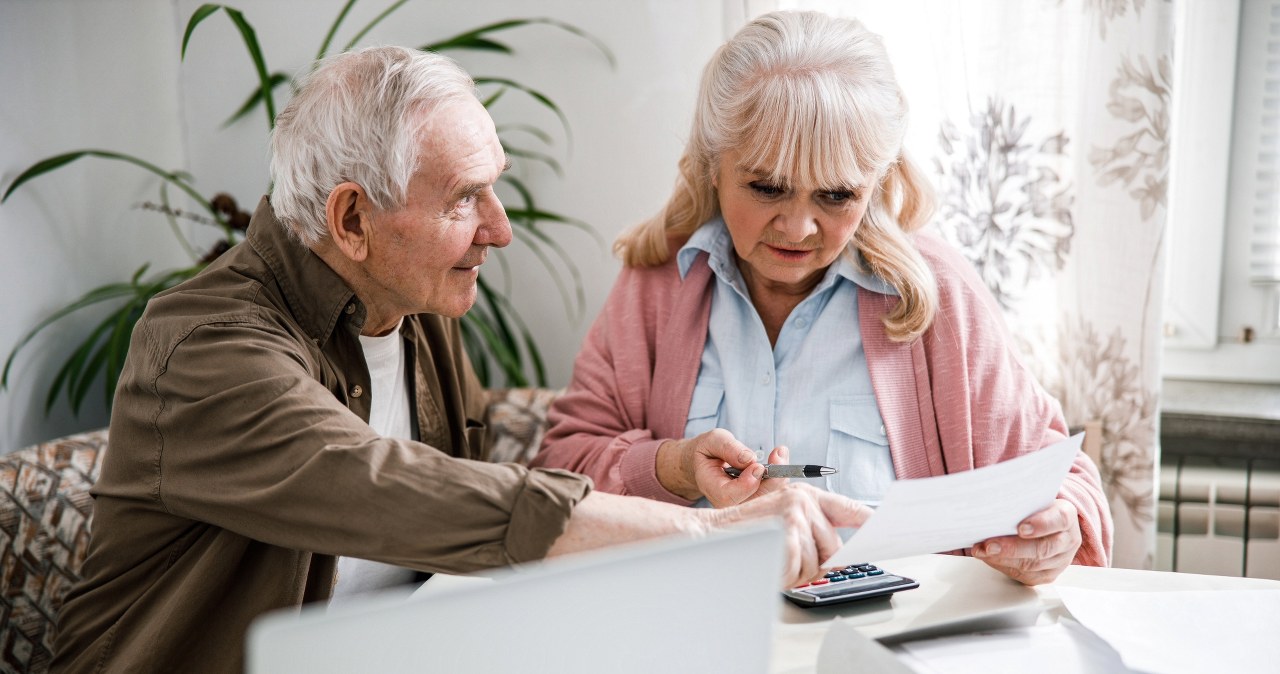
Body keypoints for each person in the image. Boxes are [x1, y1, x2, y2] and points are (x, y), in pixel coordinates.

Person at [51, 46, 872, 673]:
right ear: (351, 220)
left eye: (494, 187)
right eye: (462, 199)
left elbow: (466, 524)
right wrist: (708, 533)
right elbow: (401, 490)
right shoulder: (206, 350)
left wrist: (674, 479)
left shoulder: (414, 305)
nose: (500, 228)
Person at [532, 10, 1113, 586]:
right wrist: (675, 466)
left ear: (877, 184)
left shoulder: (936, 294)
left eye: (836, 195)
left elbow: (1060, 477)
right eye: (767, 188)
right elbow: (558, 474)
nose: (799, 229)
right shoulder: (658, 284)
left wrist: (1057, 526)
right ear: (713, 166)